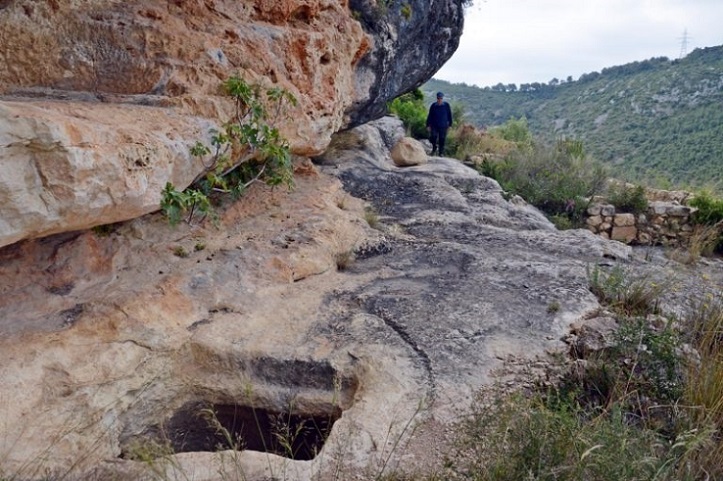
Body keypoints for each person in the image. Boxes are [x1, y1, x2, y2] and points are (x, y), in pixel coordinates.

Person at [426, 91, 453, 156]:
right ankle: (434, 148)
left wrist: (450, 125)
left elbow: (449, 115)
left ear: (442, 98)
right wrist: (428, 125)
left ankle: (441, 152)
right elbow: (430, 115)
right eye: (438, 98)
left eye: (440, 98)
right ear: (437, 98)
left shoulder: (446, 105)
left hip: (443, 125)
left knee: (442, 139)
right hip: (434, 125)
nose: (439, 100)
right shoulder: (433, 106)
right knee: (433, 137)